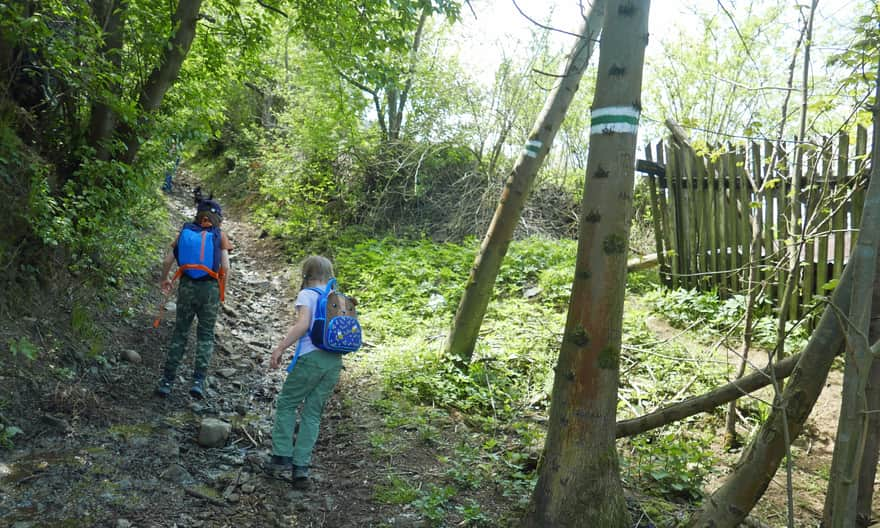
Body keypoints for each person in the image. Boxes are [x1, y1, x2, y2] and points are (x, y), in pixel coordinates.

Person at [266, 255, 343, 487]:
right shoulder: (336, 297)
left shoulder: (307, 294)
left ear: (306, 274)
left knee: (288, 403)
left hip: (311, 359)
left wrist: (280, 347)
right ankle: (301, 469)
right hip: (334, 362)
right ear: (328, 274)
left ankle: (281, 455)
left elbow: (302, 325)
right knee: (312, 413)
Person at [155, 198, 232, 399]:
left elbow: (167, 260)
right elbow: (225, 267)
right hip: (210, 289)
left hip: (187, 286)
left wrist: (164, 280)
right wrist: (222, 290)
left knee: (180, 332)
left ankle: (167, 381)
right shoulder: (220, 235)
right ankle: (198, 381)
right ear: (219, 218)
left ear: (198, 215)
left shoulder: (185, 232)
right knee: (205, 336)